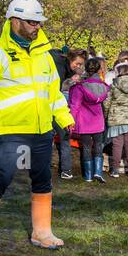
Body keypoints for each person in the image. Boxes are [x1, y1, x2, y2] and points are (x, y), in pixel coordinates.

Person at [0, 0, 73, 256]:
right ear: (14, 20)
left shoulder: (44, 55)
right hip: (9, 129)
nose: (37, 26)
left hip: (41, 129)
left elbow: (54, 91)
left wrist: (65, 117)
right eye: (31, 21)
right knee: (2, 176)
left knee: (43, 178)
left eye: (39, 22)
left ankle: (42, 232)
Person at [68, 56, 110, 183]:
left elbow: (74, 106)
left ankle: (88, 175)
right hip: (98, 119)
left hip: (84, 121)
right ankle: (98, 172)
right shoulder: (103, 86)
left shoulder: (80, 87)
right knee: (98, 145)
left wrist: (71, 121)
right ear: (98, 70)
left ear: (86, 69)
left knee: (86, 147)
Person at [53, 48, 88, 180]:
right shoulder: (60, 67)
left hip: (56, 106)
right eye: (77, 63)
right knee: (62, 135)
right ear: (70, 59)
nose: (78, 67)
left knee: (64, 135)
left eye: (80, 65)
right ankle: (64, 170)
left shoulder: (66, 68)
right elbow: (55, 92)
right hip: (51, 106)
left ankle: (66, 170)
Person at [105, 60, 128, 177]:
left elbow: (107, 103)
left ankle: (115, 170)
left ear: (119, 72)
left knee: (117, 144)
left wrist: (106, 115)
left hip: (116, 118)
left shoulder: (113, 85)